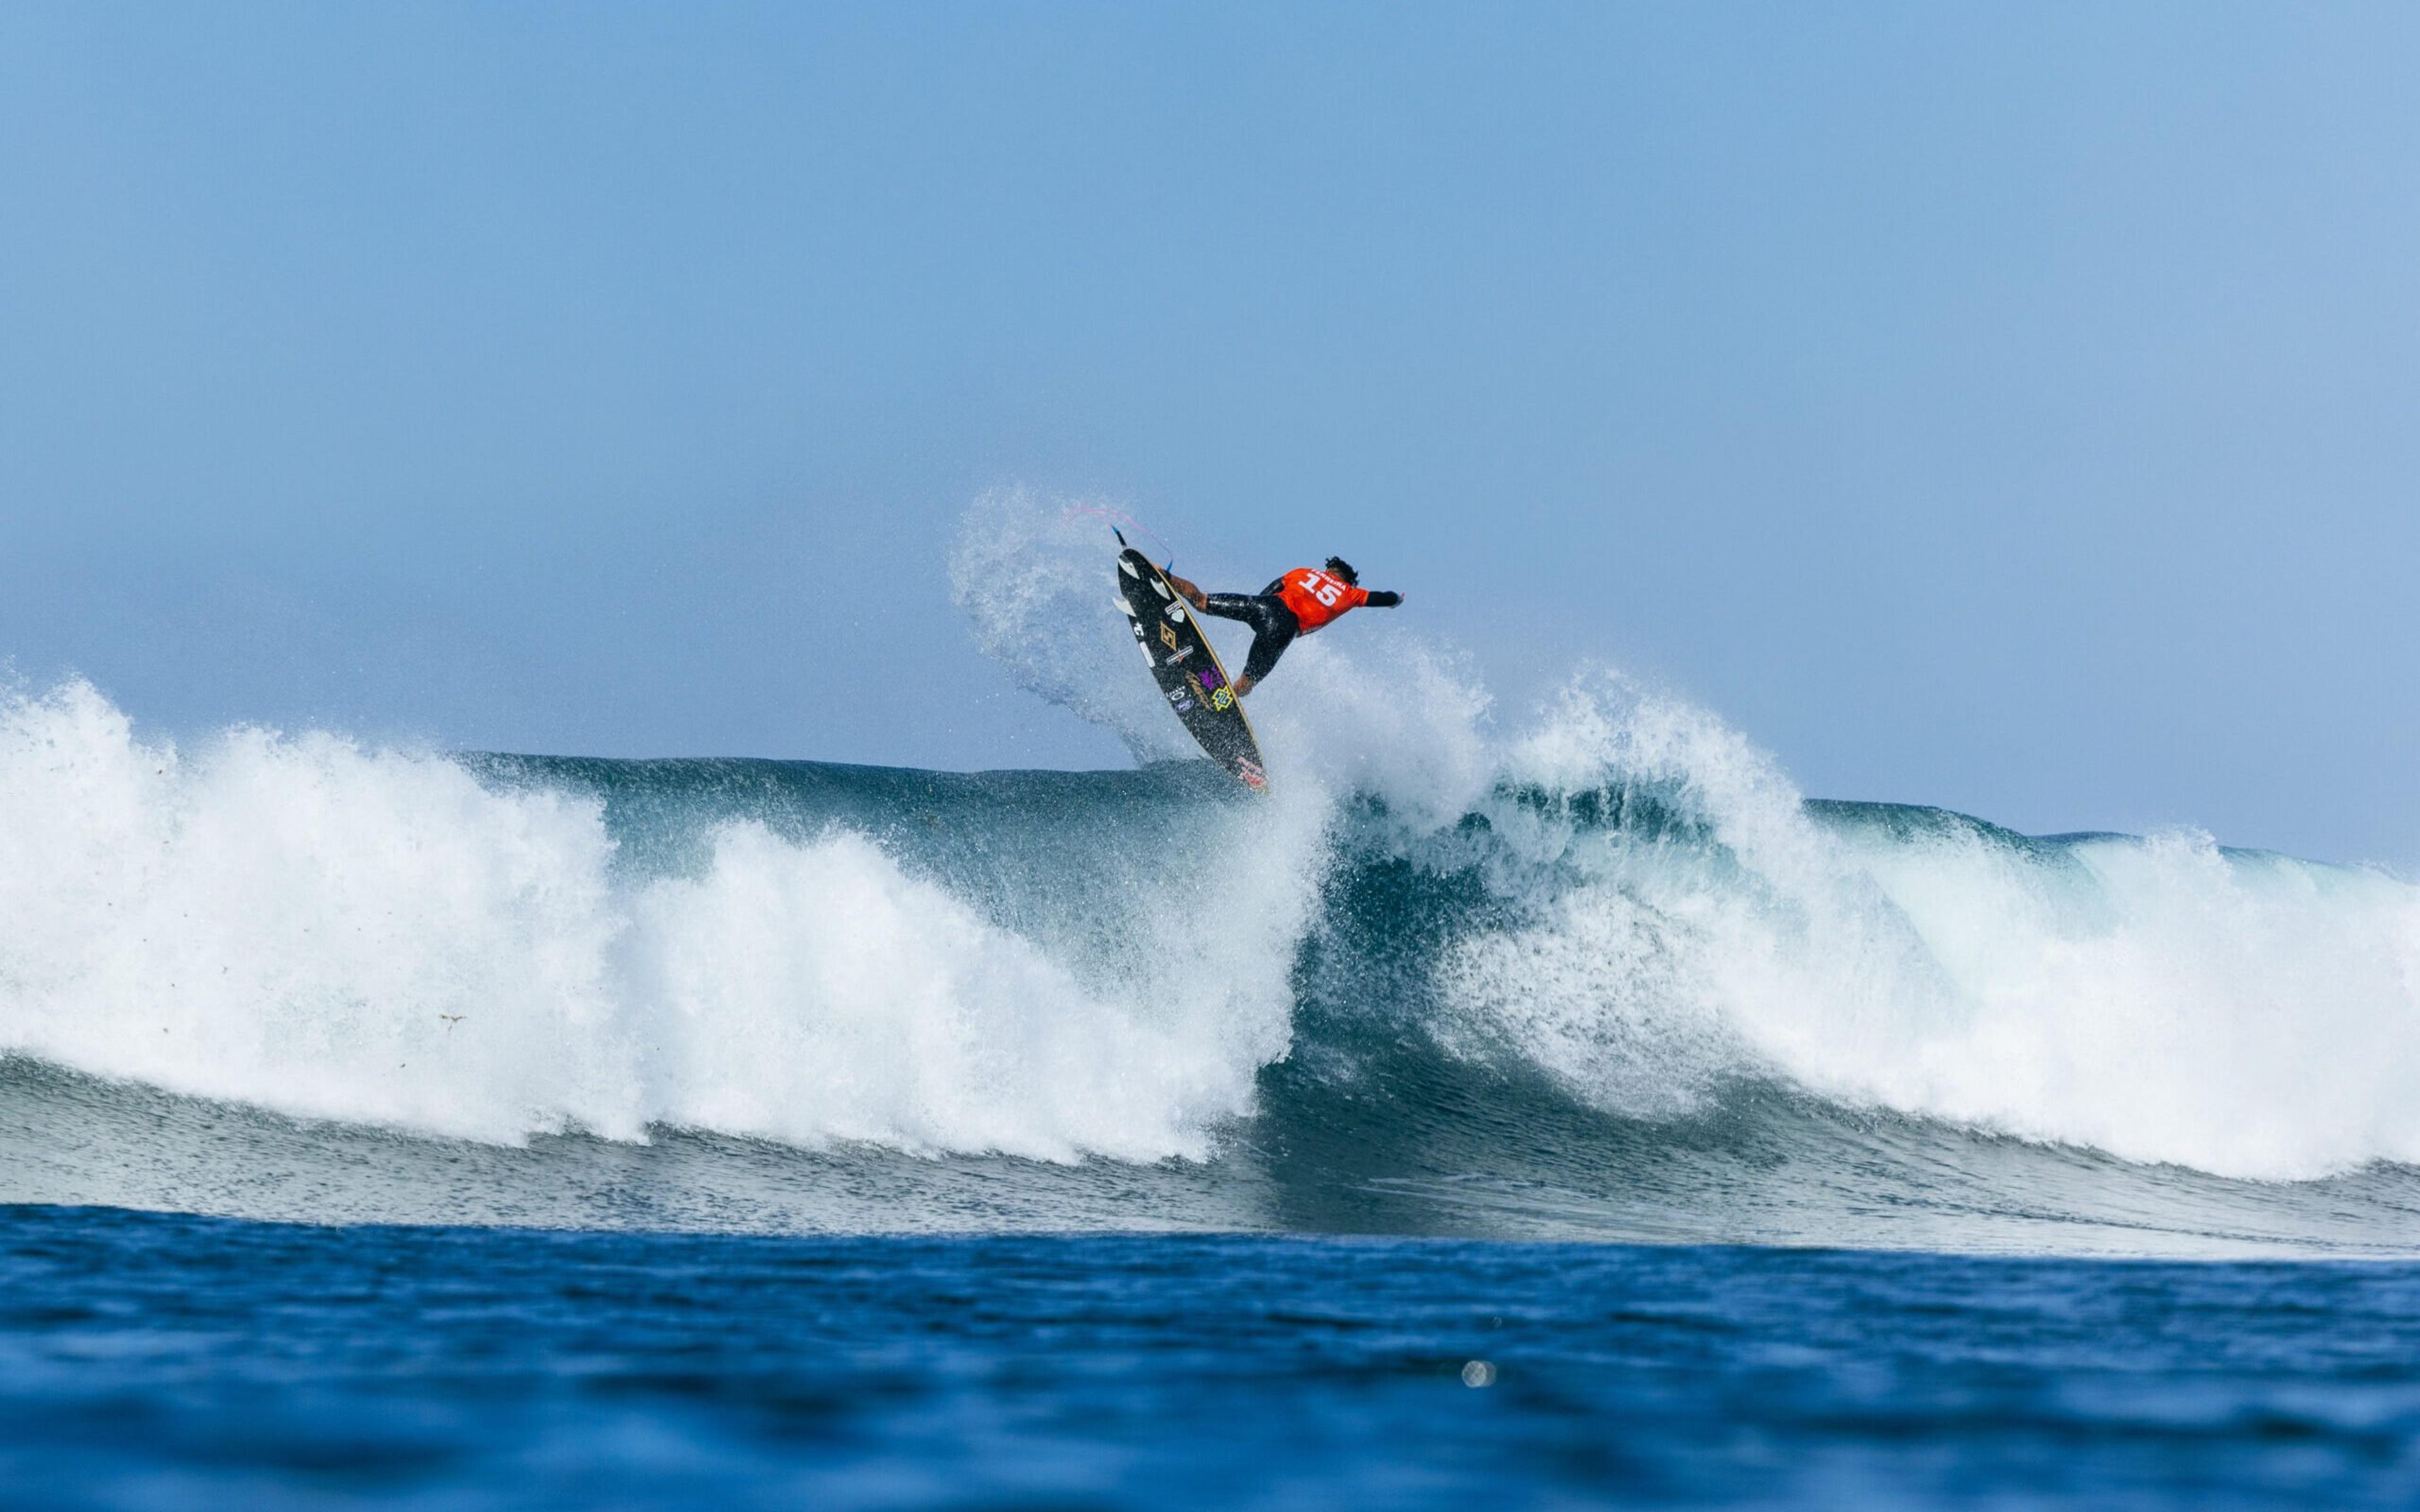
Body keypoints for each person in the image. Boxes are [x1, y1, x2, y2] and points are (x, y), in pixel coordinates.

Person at [1162, 557, 1404, 696]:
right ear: (1347, 580)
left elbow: (1268, 592)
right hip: (1284, 629)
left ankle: (1165, 577)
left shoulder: (1303, 572)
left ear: (1328, 571)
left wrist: (1254, 616)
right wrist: (1397, 601)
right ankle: (1222, 699)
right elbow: (1384, 597)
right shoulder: (1352, 594)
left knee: (1202, 601)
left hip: (1265, 606)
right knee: (1246, 684)